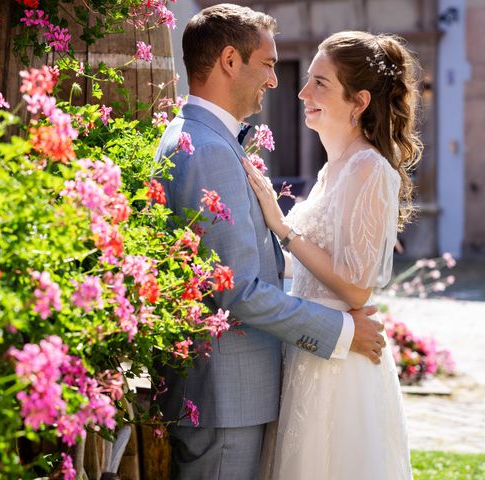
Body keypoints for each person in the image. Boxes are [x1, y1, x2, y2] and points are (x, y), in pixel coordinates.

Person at [154, 5, 386, 479]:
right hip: (225, 398)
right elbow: (237, 291)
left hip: (234, 394)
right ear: (229, 60)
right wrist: (344, 332)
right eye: (268, 63)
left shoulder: (205, 139)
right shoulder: (209, 150)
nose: (277, 81)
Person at [243, 31, 422, 479]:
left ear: (358, 101)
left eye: (320, 83)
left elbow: (358, 285)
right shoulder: (332, 169)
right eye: (308, 81)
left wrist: (283, 227)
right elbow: (309, 266)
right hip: (312, 349)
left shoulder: (369, 168)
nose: (303, 92)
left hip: (342, 367)